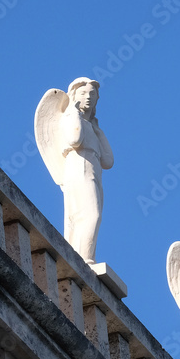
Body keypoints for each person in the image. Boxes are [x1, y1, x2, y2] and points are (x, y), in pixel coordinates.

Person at [59, 78, 113, 264]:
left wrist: (98, 131)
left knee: (93, 215)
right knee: (90, 214)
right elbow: (74, 139)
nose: (88, 97)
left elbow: (108, 161)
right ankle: (84, 259)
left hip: (94, 169)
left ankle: (83, 255)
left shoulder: (92, 126)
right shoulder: (69, 118)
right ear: (74, 96)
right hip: (78, 165)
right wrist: (74, 113)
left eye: (92, 94)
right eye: (83, 93)